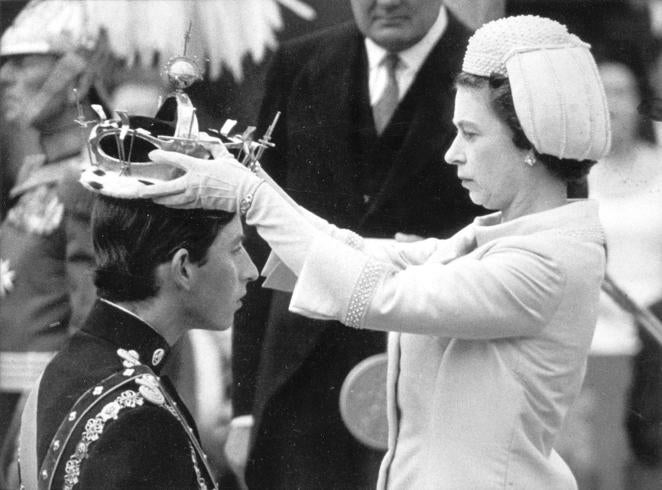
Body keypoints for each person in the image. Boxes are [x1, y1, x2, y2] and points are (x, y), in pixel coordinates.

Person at [143, 14, 611, 488]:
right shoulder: (505, 238)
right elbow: (360, 252)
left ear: (530, 142)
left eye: (470, 134)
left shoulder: (547, 260)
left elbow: (376, 293)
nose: (453, 154)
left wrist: (250, 196)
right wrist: (247, 178)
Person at [231, 1, 484, 487]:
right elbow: (259, 239)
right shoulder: (299, 63)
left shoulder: (487, 66)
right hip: (301, 381)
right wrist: (244, 407)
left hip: (437, 383)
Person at [18, 175, 258, 488]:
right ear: (183, 268)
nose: (250, 270)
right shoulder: (142, 422)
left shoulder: (62, 370)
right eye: (236, 249)